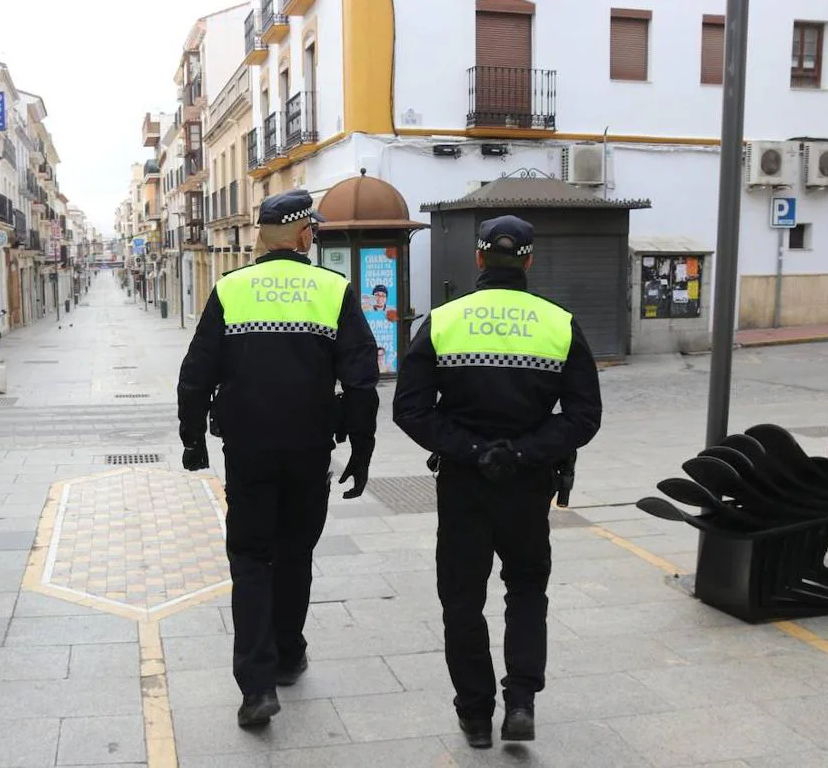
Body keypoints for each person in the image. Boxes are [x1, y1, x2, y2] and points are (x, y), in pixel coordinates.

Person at [392, 215, 602, 749]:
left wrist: (472, 450)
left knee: (462, 598)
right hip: (529, 484)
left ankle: (475, 716)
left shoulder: (442, 321)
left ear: (480, 258)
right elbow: (583, 416)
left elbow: (410, 409)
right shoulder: (559, 323)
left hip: (464, 483)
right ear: (529, 260)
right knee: (527, 590)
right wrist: (526, 451)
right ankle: (523, 702)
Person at [177, 188, 380, 729]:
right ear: (301, 235)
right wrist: (362, 447)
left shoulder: (231, 288)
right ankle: (289, 654)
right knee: (295, 554)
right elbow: (361, 378)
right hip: (310, 450)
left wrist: (192, 439)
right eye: (312, 230)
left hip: (248, 452)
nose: (315, 237)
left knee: (249, 560)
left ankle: (256, 688)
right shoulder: (333, 290)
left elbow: (196, 373)